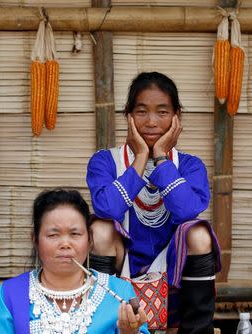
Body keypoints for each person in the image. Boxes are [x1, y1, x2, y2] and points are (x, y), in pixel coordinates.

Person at [86, 72, 221, 333]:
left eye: (162, 112)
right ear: (128, 116)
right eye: (141, 111)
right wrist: (140, 158)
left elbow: (186, 210)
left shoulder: (189, 165)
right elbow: (109, 209)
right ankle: (102, 325)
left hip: (174, 281)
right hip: (120, 277)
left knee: (199, 233)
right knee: (100, 230)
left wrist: (160, 157)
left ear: (176, 117)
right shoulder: (104, 161)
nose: (151, 122)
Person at [0, 189, 149, 334]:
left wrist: (129, 333)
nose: (65, 244)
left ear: (90, 241)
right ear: (35, 240)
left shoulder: (120, 292)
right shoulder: (11, 293)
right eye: (53, 235)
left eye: (75, 234)